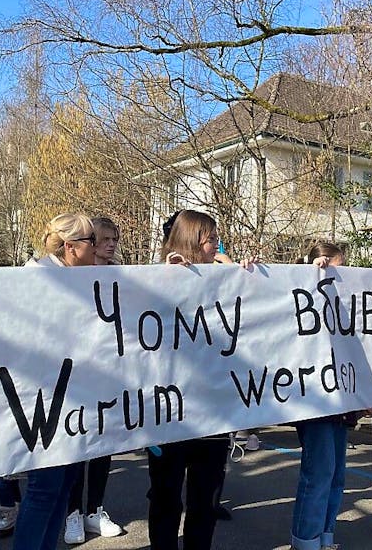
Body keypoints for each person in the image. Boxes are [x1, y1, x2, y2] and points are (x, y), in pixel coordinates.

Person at [148, 209, 252, 550]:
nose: (215, 247)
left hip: (213, 414)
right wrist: (167, 279)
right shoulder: (154, 280)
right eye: (210, 240)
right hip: (169, 414)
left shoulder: (223, 280)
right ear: (193, 241)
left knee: (205, 501)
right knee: (166, 498)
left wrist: (250, 277)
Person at [13, 213, 97, 550]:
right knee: (45, 488)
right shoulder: (36, 279)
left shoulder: (84, 277)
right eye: (91, 240)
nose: (97, 247)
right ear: (71, 247)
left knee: (64, 486)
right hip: (46, 402)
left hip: (78, 399)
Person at [287, 243, 355, 550]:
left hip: (342, 402)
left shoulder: (349, 300)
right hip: (314, 401)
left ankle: (326, 534)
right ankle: (306, 540)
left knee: (337, 475)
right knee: (319, 474)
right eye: (331, 267)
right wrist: (312, 272)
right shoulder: (300, 292)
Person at [63, 217, 124, 544]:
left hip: (108, 374)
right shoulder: (68, 277)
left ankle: (94, 510)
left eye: (114, 239)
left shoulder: (122, 277)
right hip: (74, 378)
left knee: (102, 446)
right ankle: (72, 513)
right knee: (76, 448)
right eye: (103, 239)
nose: (110, 244)